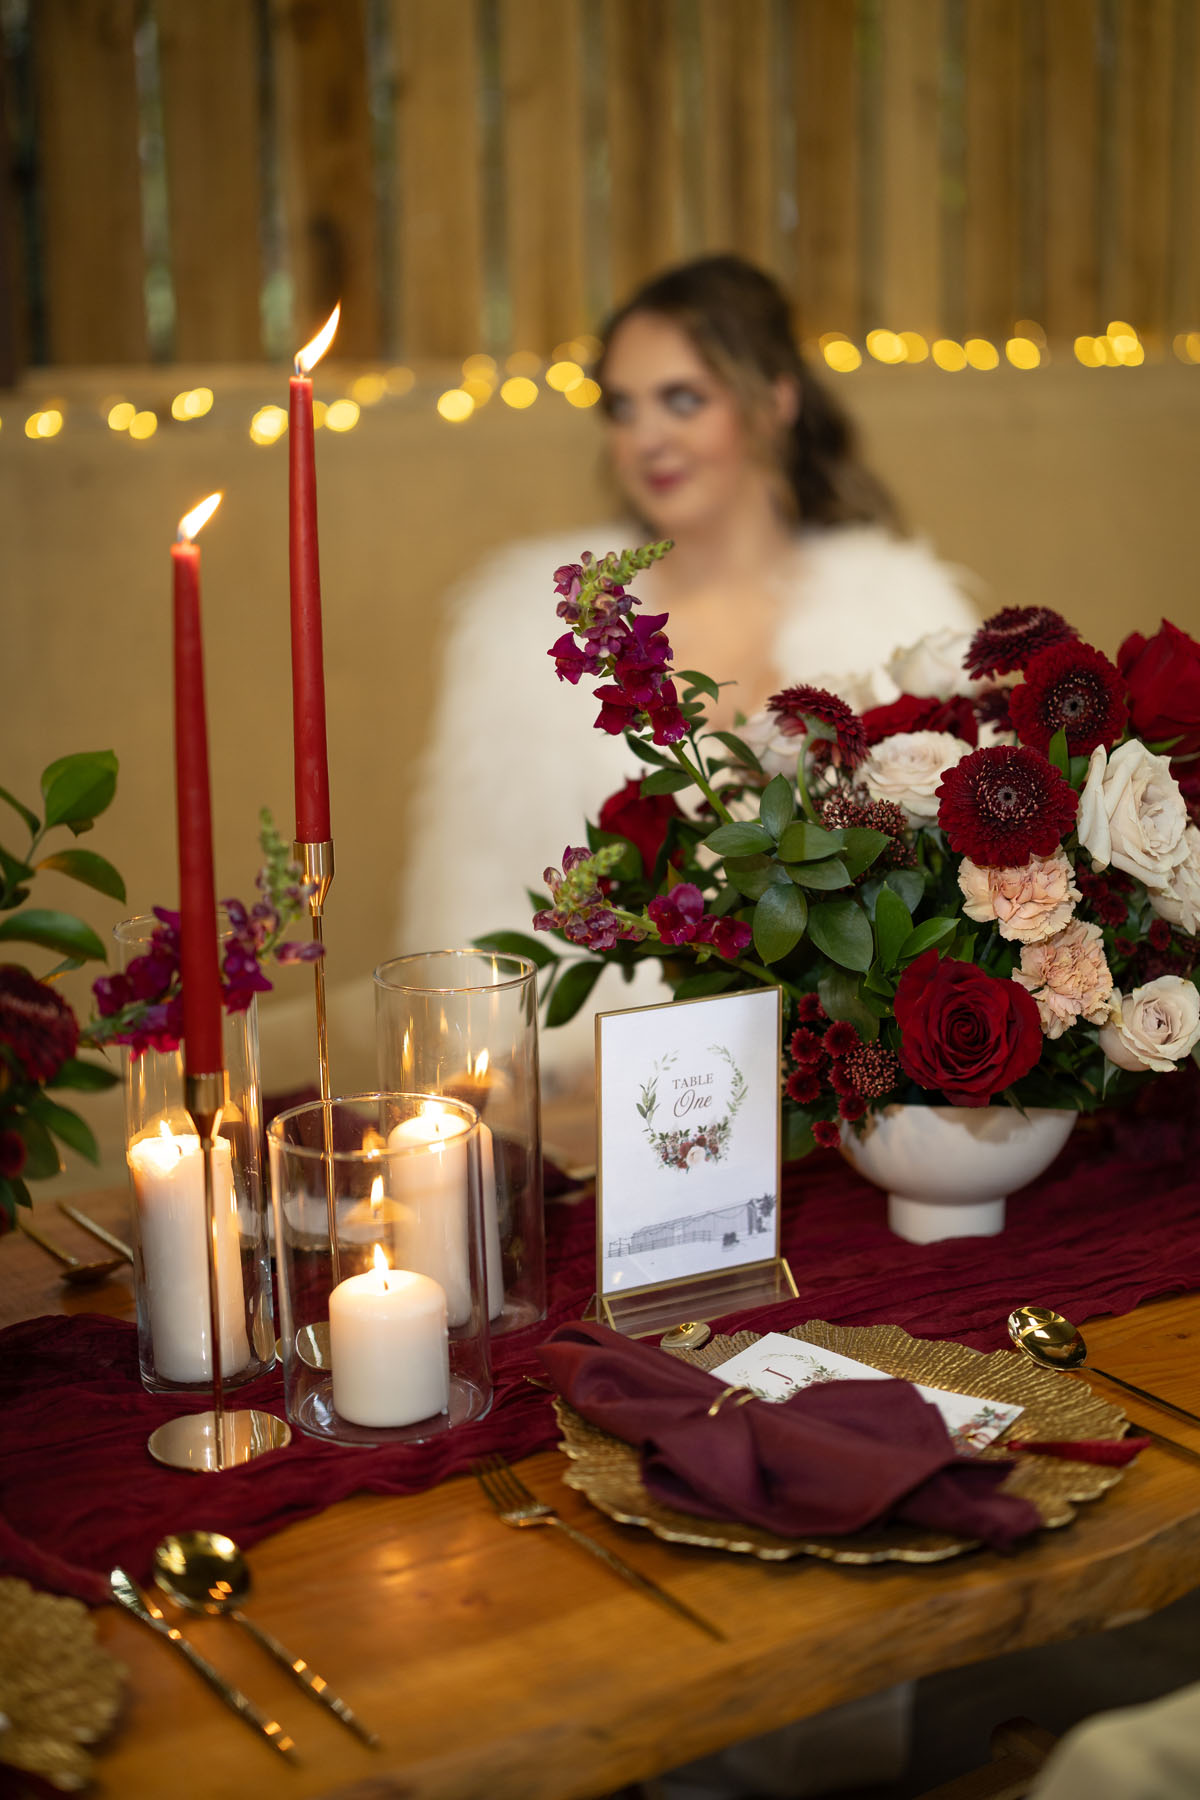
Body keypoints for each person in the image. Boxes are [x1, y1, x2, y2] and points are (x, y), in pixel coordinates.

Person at [398, 255, 979, 1066]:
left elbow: (964, 884)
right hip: (592, 1089)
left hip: (844, 1081)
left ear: (774, 401)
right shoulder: (527, 631)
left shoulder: (903, 621)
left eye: (683, 399)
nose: (646, 439)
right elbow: (469, 913)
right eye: (622, 407)